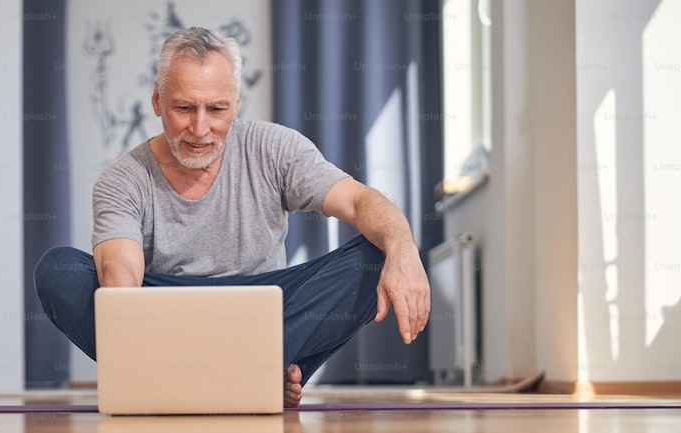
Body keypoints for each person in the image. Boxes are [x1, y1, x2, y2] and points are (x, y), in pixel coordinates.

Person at [35, 26, 430, 407]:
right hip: (164, 319)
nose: (200, 128)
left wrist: (404, 250)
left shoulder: (274, 148)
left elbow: (361, 202)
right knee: (59, 271)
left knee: (380, 252)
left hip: (265, 313)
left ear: (236, 105)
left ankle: (205, 381)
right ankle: (246, 378)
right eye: (184, 108)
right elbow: (121, 278)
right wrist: (139, 340)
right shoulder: (122, 179)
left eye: (217, 109)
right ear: (157, 101)